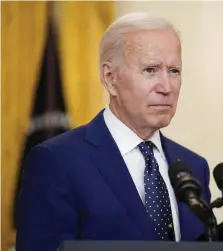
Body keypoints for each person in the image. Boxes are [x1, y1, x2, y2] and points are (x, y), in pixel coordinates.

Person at [15, 12, 211, 251]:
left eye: (174, 71)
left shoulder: (193, 167)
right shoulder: (56, 162)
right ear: (110, 78)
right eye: (150, 70)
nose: (166, 87)